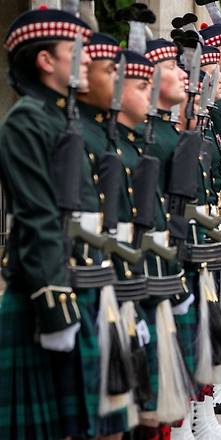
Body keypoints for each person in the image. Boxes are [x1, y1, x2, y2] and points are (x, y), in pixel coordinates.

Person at [0, 7, 95, 439]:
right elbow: (39, 216)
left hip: (78, 280)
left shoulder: (65, 116)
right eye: (77, 50)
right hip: (46, 290)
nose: (88, 58)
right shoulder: (26, 119)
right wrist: (54, 301)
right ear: (46, 60)